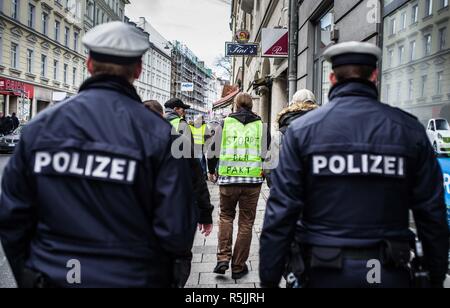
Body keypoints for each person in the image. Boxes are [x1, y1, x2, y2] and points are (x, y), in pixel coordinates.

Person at [0, 21, 198, 288]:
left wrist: (32, 277)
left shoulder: (40, 128)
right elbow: (177, 232)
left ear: (89, 64)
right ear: (138, 70)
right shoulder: (161, 136)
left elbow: (13, 218)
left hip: (55, 276)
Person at [260, 41, 449, 288]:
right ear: (374, 76)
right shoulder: (408, 129)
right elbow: (431, 212)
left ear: (332, 78)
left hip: (321, 273)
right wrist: (435, 274)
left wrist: (269, 279)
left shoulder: (302, 132)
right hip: (388, 272)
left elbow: (281, 212)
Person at [208, 93, 270, 280]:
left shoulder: (225, 123)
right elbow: (267, 154)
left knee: (226, 216)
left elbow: (213, 150)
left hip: (228, 180)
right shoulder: (261, 125)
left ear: (235, 105)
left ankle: (223, 258)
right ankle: (238, 266)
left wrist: (211, 170)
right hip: (251, 182)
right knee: (246, 222)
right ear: (252, 106)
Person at [164, 98, 214, 237]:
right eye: (182, 109)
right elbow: (188, 156)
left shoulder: (157, 121)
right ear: (175, 110)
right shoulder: (181, 124)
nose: (184, 111)